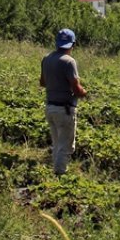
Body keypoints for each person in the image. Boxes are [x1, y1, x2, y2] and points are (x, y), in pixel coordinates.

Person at [40, 28, 88, 175]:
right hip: (65, 109)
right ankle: (60, 176)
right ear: (73, 44)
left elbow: (42, 82)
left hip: (50, 107)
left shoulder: (47, 59)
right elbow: (76, 87)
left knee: (57, 144)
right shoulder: (69, 62)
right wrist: (83, 93)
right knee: (66, 146)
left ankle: (56, 173)